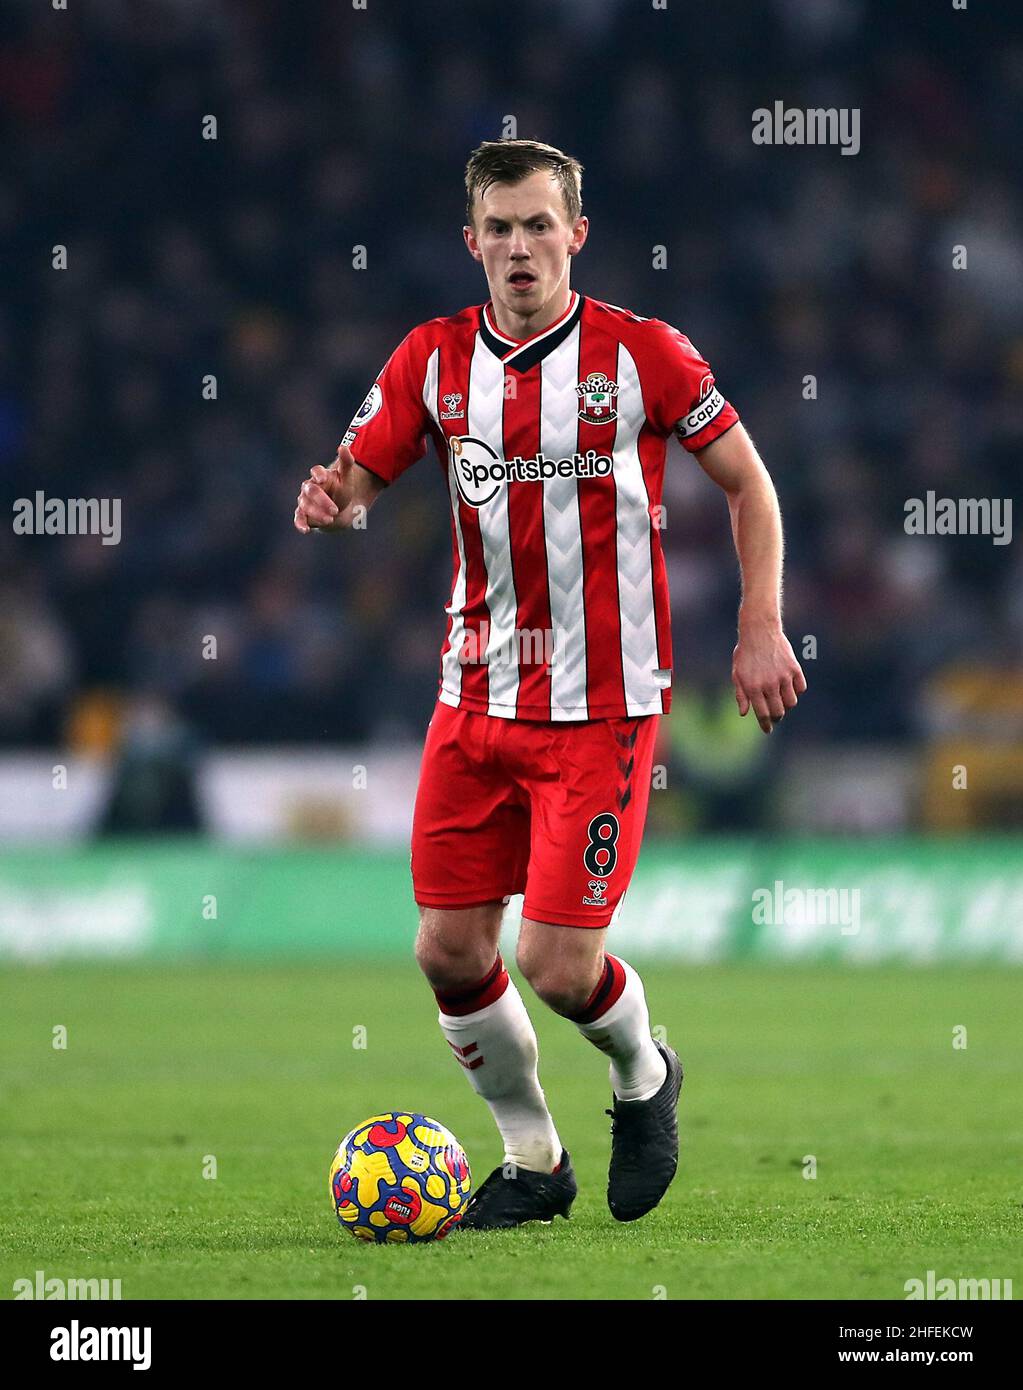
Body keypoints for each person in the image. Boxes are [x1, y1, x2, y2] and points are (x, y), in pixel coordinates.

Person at [293, 139, 806, 1229]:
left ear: (577, 234)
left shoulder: (644, 356)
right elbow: (360, 477)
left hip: (602, 709)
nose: (520, 247)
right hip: (472, 701)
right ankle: (534, 1160)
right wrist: (335, 499)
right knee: (447, 950)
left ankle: (644, 1077)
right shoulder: (431, 361)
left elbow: (749, 484)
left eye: (540, 225)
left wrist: (760, 622)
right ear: (470, 240)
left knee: (559, 965)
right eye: (500, 227)